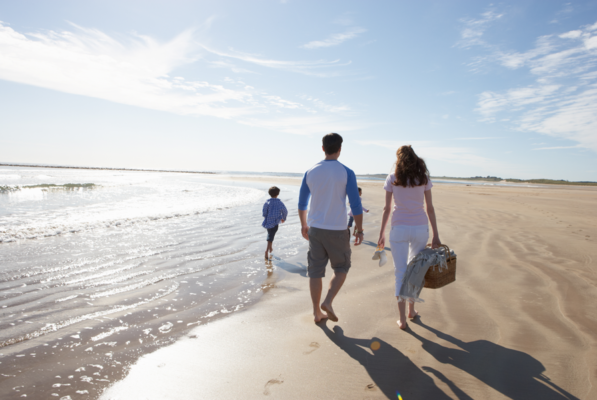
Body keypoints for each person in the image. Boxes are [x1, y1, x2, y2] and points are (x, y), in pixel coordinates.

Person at [298, 133, 364, 323]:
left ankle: (316, 313)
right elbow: (355, 204)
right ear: (340, 149)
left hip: (315, 229)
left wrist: (304, 224)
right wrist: (359, 229)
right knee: (342, 266)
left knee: (315, 271)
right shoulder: (346, 172)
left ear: (323, 148)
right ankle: (327, 301)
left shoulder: (311, 171)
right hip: (337, 229)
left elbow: (302, 203)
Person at [377, 145, 441, 330]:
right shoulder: (423, 178)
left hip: (399, 229)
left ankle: (403, 320)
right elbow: (430, 208)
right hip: (420, 228)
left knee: (400, 273)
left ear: (399, 160)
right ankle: (411, 311)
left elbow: (387, 209)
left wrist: (381, 233)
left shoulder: (392, 178)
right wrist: (436, 234)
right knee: (416, 270)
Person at [262, 186, 288, 261]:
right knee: (270, 236)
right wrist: (283, 218)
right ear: (278, 194)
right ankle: (267, 250)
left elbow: (264, 212)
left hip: (268, 222)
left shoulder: (267, 202)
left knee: (270, 234)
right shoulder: (279, 203)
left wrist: (265, 217)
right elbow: (285, 211)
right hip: (275, 222)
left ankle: (270, 248)